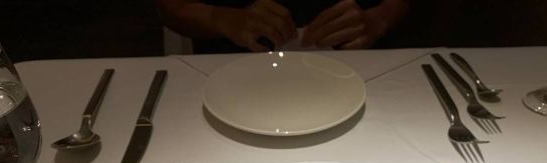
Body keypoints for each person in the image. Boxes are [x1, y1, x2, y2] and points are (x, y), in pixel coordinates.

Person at [157, 0, 409, 53]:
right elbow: (171, 7)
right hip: (226, 66)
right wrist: (220, 18)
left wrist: (380, 18)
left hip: (365, 63)